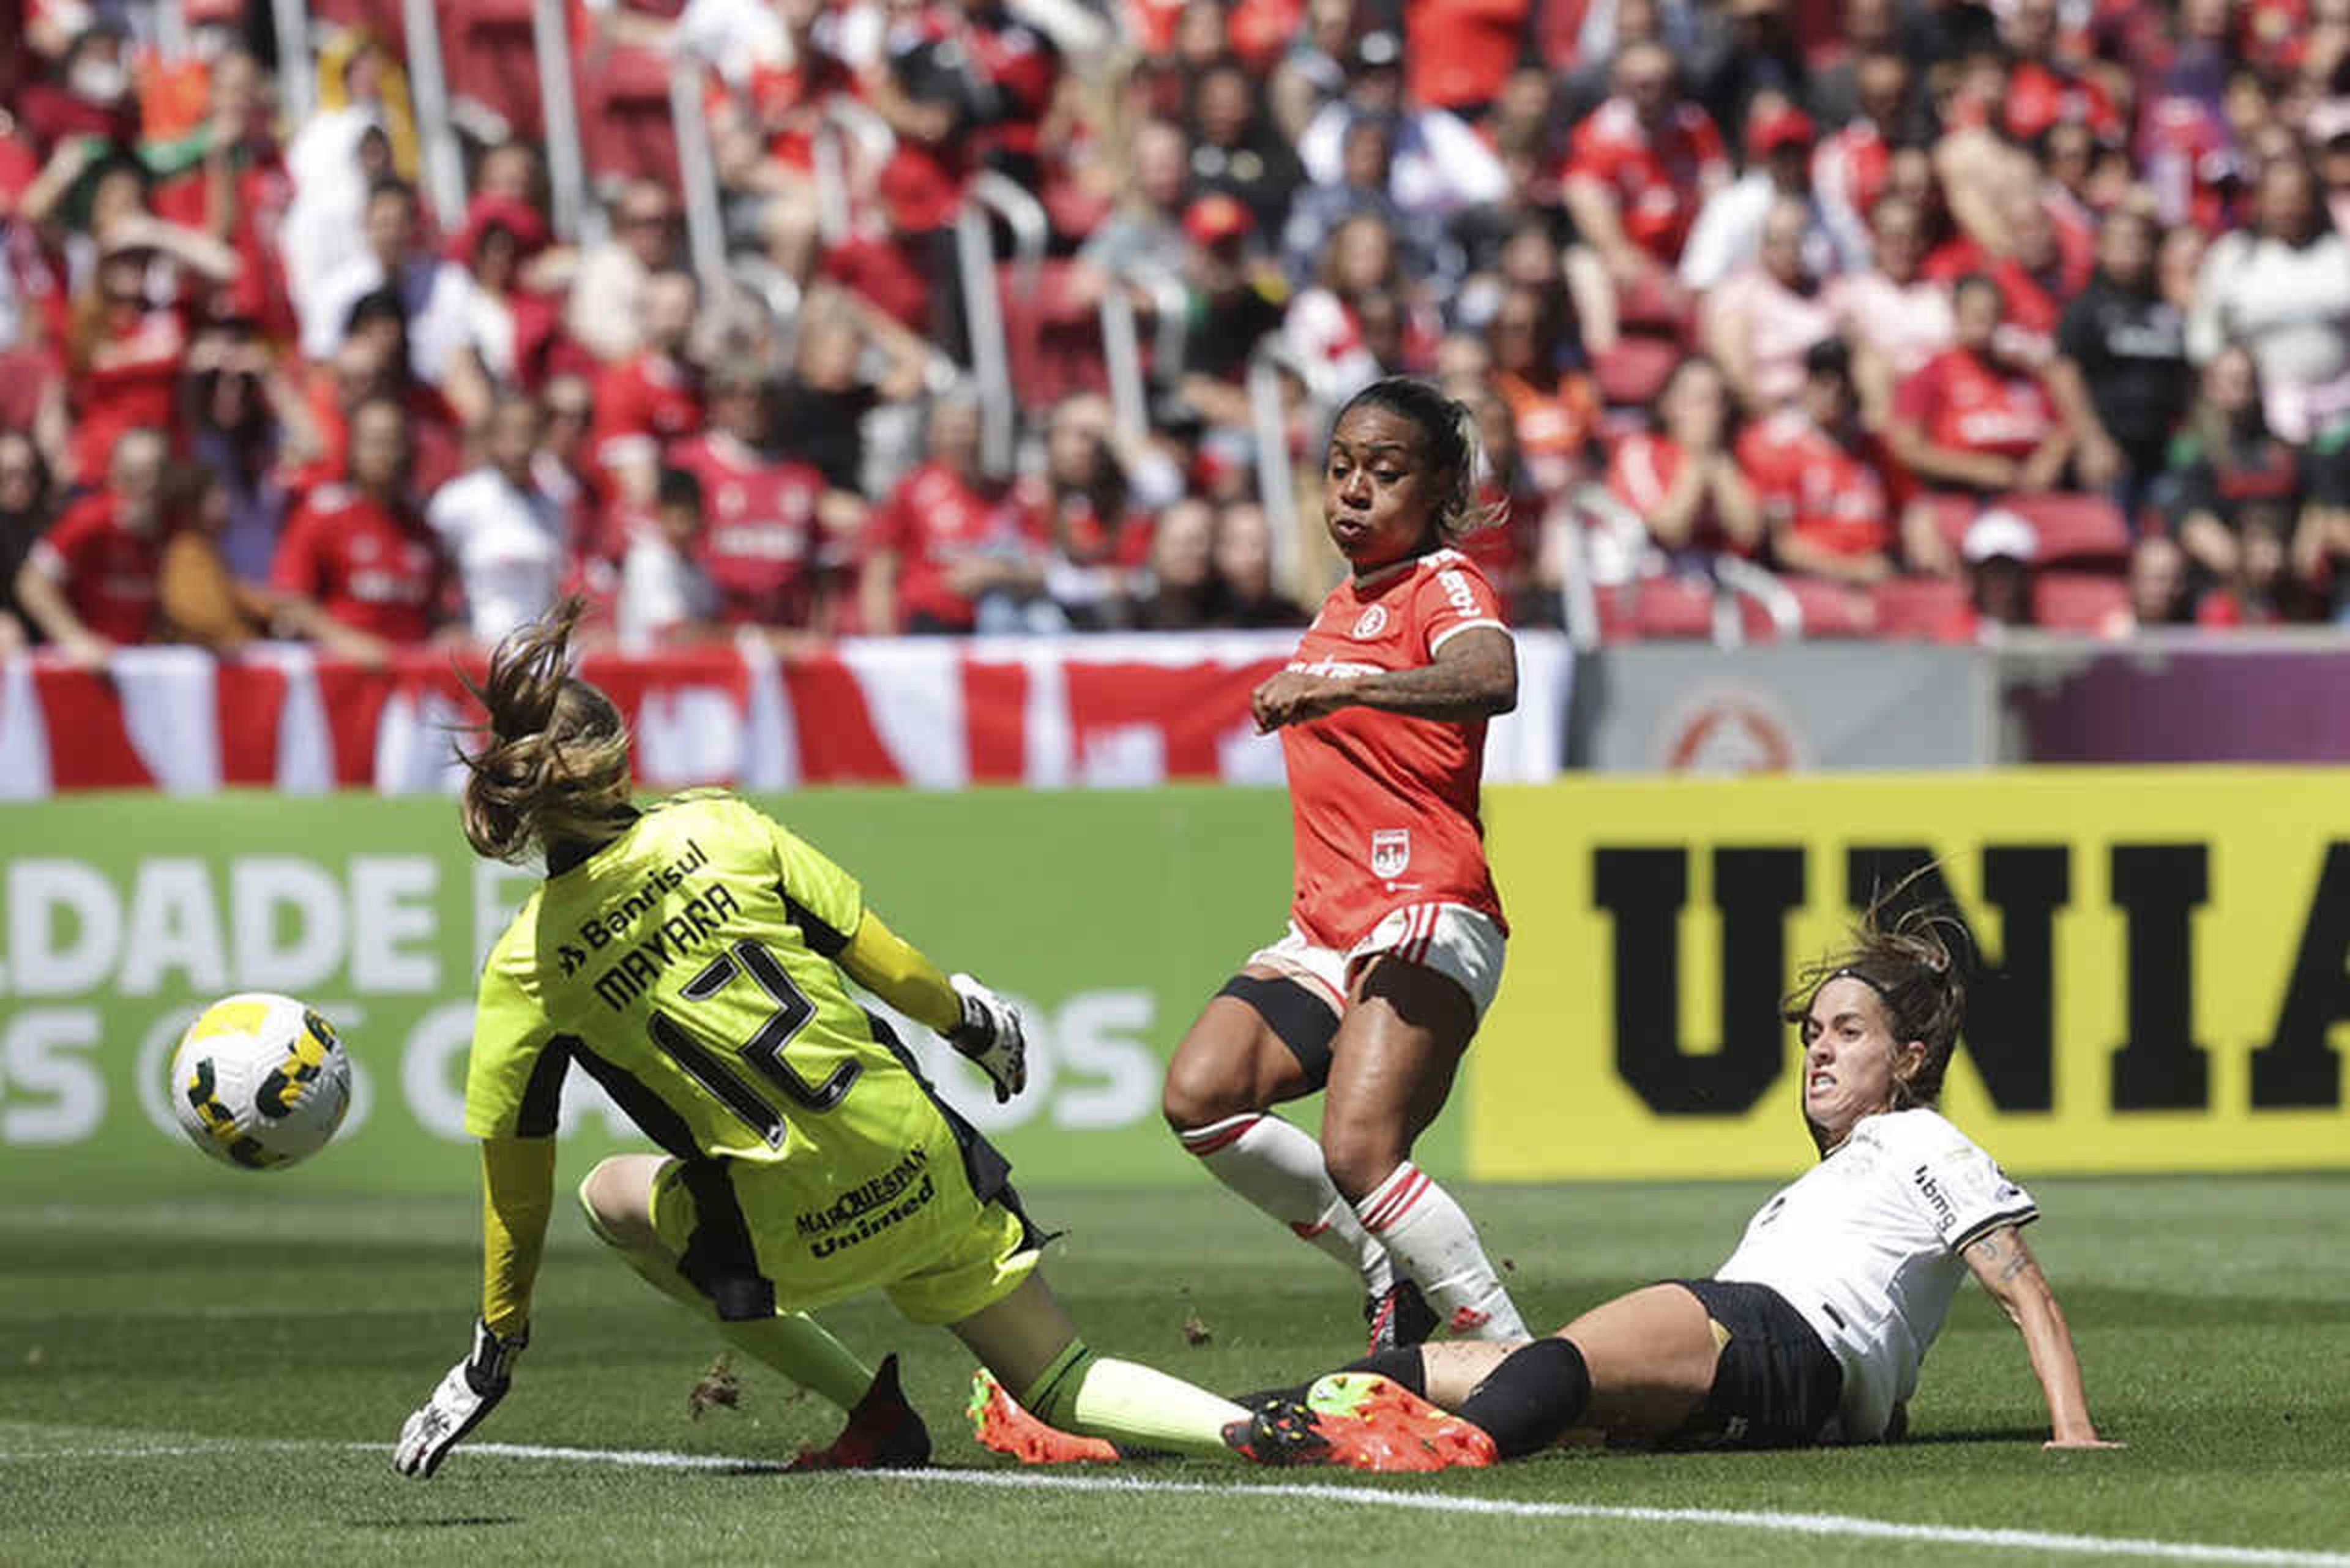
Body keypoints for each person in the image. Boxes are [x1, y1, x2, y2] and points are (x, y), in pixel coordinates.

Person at [391, 600, 1274, 1479]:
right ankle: (1262, 1432)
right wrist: (974, 1026)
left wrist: (495, 1345)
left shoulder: (527, 963)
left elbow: (516, 1194)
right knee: (1061, 1379)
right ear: (621, 760)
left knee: (609, 1193)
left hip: (782, 1228)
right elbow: (892, 969)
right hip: (915, 1169)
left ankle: (871, 1411)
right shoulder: (719, 826)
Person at [985, 894, 2118, 1469]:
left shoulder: (1922, 1142)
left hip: (1775, 1339)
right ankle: (1159, 1432)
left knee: (1556, 1367)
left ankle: (1434, 1461)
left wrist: (2069, 1427)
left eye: (1850, 1034)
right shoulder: (1835, 1182)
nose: (1819, 1051)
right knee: (1418, 1367)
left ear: (1910, 1059)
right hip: (1772, 1382)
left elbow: (2021, 1283)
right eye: (1814, 1031)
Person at [1158, 376, 1529, 1356]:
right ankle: (1383, 1265)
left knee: (1360, 1148)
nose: (1353, 492)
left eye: (1385, 472)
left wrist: (1341, 689)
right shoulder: (1340, 602)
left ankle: (1516, 1353)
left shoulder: (1442, 584)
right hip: (1328, 926)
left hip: (1429, 905)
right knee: (1200, 1096)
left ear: (1439, 485)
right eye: (1340, 470)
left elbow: (1493, 677)